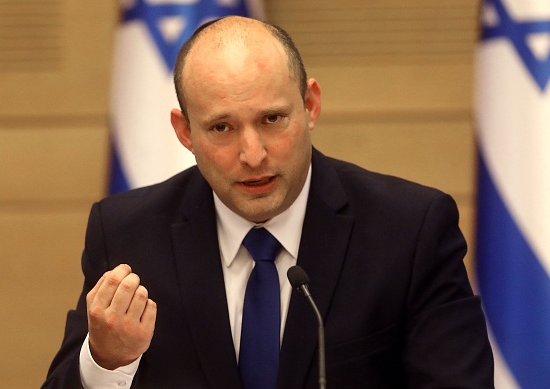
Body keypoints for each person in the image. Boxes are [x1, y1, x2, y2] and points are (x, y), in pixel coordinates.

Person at [42, 16, 494, 389]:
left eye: (273, 119)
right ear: (185, 133)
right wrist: (105, 362)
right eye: (222, 128)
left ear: (310, 105)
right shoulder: (128, 233)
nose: (253, 154)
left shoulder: (409, 229)